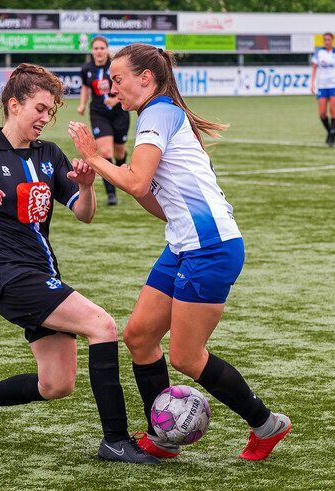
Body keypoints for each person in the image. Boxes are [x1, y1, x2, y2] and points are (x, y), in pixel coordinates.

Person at [68, 44, 291, 462]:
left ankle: (266, 424)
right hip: (184, 245)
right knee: (139, 336)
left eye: (118, 79)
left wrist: (95, 159)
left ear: (146, 79)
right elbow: (153, 199)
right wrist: (109, 170)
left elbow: (134, 183)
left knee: (188, 356)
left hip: (211, 249)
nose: (111, 87)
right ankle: (163, 435)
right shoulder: (158, 114)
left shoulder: (158, 114)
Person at [0, 63, 158, 465]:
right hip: (8, 277)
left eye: (50, 111)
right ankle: (115, 440)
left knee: (57, 384)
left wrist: (86, 187)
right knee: (101, 325)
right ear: (14, 105)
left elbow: (84, 215)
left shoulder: (50, 154)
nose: (45, 118)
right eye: (39, 108)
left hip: (42, 274)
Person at [77, 36, 130, 206]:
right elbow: (85, 87)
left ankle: (122, 171)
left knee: (119, 153)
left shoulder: (116, 66)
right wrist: (82, 104)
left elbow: (127, 86)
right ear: (92, 51)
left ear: (107, 50)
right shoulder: (86, 69)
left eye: (102, 48)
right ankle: (111, 193)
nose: (99, 51)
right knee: (105, 153)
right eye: (96, 48)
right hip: (99, 113)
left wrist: (115, 101)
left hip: (119, 112)